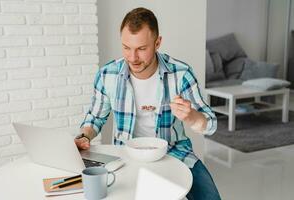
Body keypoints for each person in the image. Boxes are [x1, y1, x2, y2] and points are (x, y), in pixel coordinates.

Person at [75, 7, 221, 200]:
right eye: (127, 47)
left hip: (175, 153)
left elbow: (210, 124)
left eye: (141, 49)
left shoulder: (181, 74)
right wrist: (84, 136)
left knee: (210, 198)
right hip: (124, 157)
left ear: (157, 42)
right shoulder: (107, 75)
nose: (133, 58)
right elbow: (94, 119)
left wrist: (192, 117)